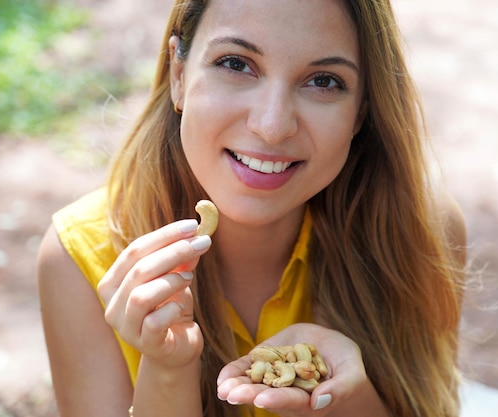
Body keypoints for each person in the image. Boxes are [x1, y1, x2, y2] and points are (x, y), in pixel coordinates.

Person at [37, 0, 467, 416]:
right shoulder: (80, 257)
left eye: (324, 81)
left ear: (361, 113)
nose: (272, 126)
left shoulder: (422, 231)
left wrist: (343, 403)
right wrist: (168, 371)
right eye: (236, 64)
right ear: (179, 73)